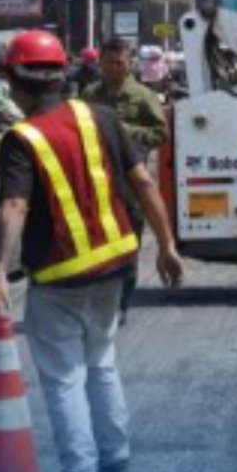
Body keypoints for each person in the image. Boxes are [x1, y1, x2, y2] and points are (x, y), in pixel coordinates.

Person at [0, 30, 184, 472]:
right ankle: (118, 469)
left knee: (65, 380)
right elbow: (142, 183)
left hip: (60, 275)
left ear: (15, 83)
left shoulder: (22, 138)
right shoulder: (102, 117)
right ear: (63, 75)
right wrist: (168, 246)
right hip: (116, 264)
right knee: (102, 364)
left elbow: (13, 205)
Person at [82, 37, 169, 328]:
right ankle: (97, 302)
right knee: (96, 245)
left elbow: (160, 134)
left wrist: (123, 131)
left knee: (128, 246)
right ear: (101, 63)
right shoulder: (90, 94)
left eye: (119, 62)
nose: (114, 68)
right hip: (95, 182)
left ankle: (122, 303)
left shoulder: (143, 96)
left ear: (130, 62)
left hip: (131, 184)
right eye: (108, 62)